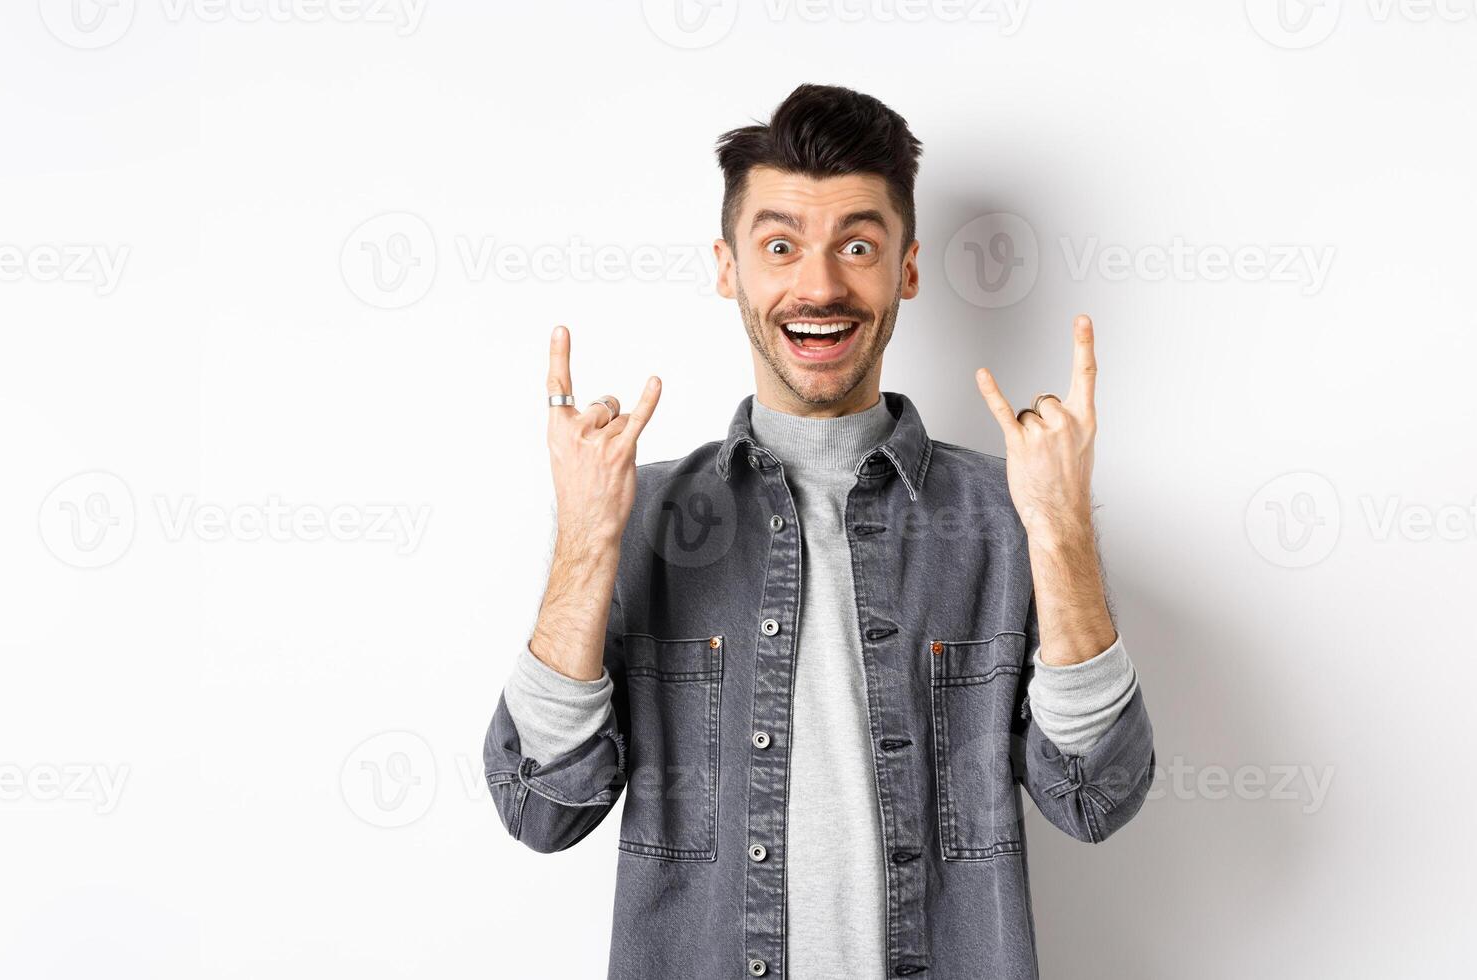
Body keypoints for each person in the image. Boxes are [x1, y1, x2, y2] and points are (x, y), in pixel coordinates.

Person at [483, 83, 1154, 979]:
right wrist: (587, 540)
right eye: (778, 245)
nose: (819, 284)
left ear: (905, 269)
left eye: (857, 246)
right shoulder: (637, 515)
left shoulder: (1008, 513)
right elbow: (538, 808)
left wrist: (1062, 531)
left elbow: (1095, 799)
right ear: (728, 269)